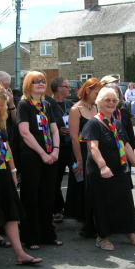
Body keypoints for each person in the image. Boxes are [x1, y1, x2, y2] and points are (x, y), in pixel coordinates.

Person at [0, 83, 42, 265]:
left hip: (2, 171)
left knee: (12, 212)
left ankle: (20, 253)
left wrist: (12, 170)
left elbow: (6, 146)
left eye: (1, 105)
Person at [82, 87, 135, 251]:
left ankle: (128, 230)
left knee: (124, 200)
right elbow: (93, 148)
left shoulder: (116, 123)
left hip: (119, 169)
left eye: (114, 100)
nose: (111, 103)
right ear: (99, 102)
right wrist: (103, 166)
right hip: (100, 171)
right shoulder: (93, 123)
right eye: (107, 100)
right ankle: (102, 237)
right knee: (102, 203)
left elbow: (126, 145)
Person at [17, 71, 62, 250]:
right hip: (32, 158)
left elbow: (54, 130)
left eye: (43, 81)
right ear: (28, 85)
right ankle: (31, 237)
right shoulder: (24, 105)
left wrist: (55, 150)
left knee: (47, 196)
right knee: (31, 197)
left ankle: (47, 234)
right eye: (36, 81)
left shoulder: (46, 105)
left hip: (51, 156)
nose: (41, 84)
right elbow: (24, 132)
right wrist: (43, 154)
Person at [66, 78, 102, 236]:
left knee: (96, 186)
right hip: (82, 150)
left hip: (96, 149)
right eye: (96, 92)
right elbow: (74, 137)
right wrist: (79, 159)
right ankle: (87, 223)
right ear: (87, 90)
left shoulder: (96, 106)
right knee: (84, 187)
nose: (98, 95)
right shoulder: (76, 109)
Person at [45, 77, 74, 223]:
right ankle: (56, 208)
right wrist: (57, 131)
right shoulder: (48, 104)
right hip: (57, 147)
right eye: (66, 86)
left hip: (71, 147)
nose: (69, 89)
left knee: (77, 177)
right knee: (56, 179)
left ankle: (73, 208)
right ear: (58, 88)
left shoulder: (70, 104)